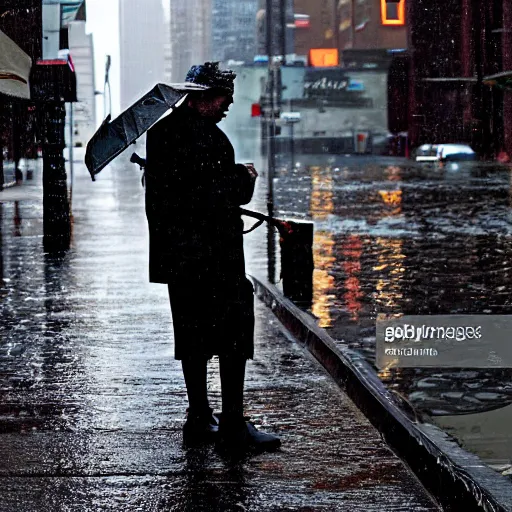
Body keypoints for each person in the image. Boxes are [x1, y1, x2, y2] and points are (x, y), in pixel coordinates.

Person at [144, 62, 280, 453]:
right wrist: (245, 177)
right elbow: (223, 195)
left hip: (179, 260)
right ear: (202, 96)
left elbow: (179, 192)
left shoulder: (162, 134)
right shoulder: (209, 140)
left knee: (193, 336)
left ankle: (200, 416)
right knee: (233, 335)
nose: (229, 104)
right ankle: (234, 426)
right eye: (223, 97)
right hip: (214, 258)